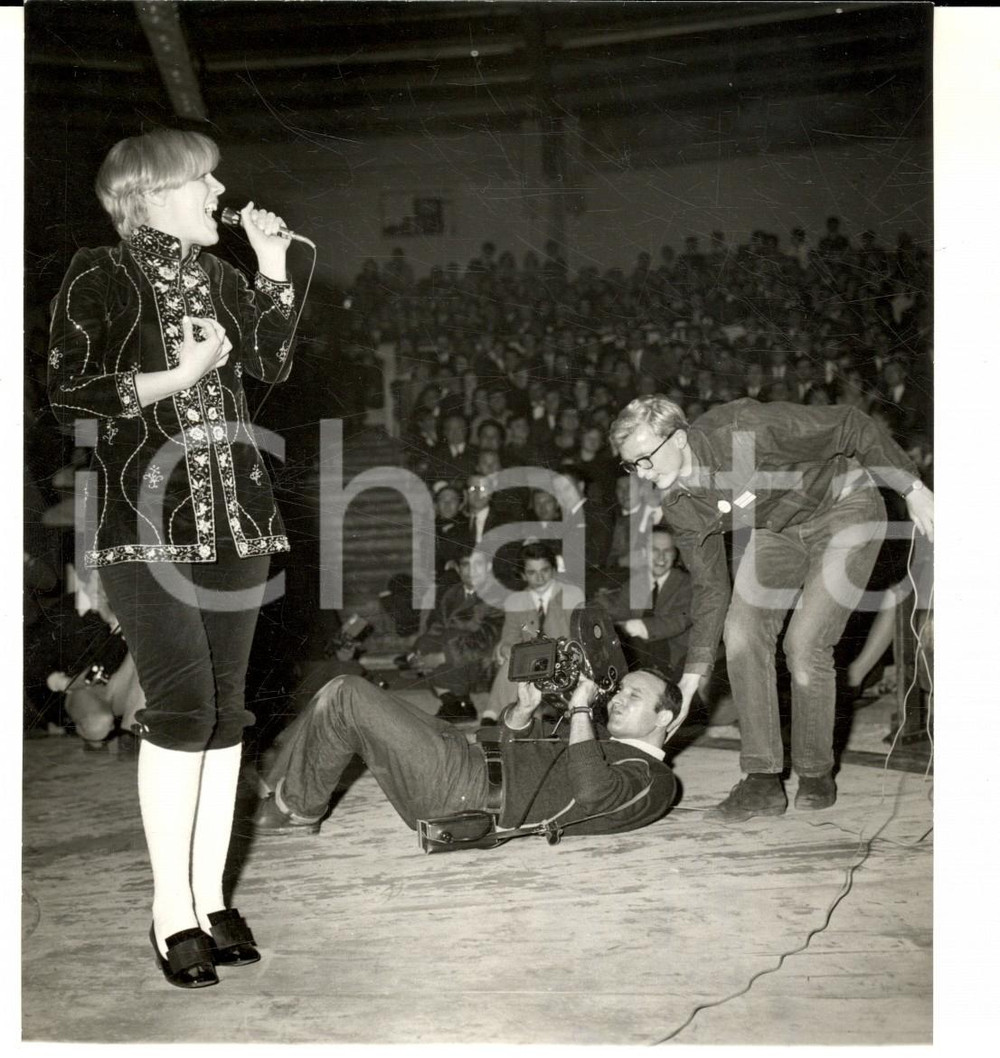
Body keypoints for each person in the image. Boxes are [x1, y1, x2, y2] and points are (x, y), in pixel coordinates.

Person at [47, 128, 298, 987]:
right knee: (183, 707)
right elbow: (67, 390)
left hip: (239, 523)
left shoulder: (221, 274)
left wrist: (268, 268)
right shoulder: (100, 273)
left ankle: (209, 897)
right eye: (204, 178)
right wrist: (180, 373)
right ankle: (170, 912)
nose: (221, 188)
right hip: (143, 524)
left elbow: (270, 358)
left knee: (225, 713)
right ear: (152, 194)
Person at [609, 395, 933, 822]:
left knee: (805, 644)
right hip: (776, 532)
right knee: (741, 634)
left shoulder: (746, 428)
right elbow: (710, 589)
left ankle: (816, 772)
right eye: (633, 466)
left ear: (681, 438)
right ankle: (762, 780)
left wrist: (912, 488)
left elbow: (851, 424)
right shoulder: (679, 504)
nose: (644, 475)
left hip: (845, 507)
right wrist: (691, 679)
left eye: (647, 459)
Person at [252, 668, 679, 840]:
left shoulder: (655, 780)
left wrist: (582, 708)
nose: (618, 698)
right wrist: (523, 711)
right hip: (467, 758)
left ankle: (299, 808)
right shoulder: (600, 737)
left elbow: (591, 791)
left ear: (665, 718)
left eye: (634, 695)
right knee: (336, 690)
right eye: (620, 689)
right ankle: (278, 787)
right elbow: (507, 739)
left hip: (466, 794)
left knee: (347, 694)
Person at [482, 543, 585, 723]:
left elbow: (578, 636)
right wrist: (507, 650)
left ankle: (496, 716)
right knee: (512, 660)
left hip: (565, 659)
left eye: (545, 570)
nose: (539, 577)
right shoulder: (515, 601)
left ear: (553, 570)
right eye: (531, 572)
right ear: (522, 574)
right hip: (530, 661)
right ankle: (493, 717)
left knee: (521, 662)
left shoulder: (572, 594)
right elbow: (510, 638)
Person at [406, 550, 503, 722]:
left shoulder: (497, 595)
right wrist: (418, 651)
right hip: (454, 652)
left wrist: (443, 656)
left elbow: (488, 638)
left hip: (483, 657)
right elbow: (436, 627)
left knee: (454, 637)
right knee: (426, 646)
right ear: (458, 569)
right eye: (466, 565)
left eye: (477, 565)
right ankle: (453, 702)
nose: (471, 571)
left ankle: (461, 700)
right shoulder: (452, 593)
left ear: (488, 568)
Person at [597, 526, 692, 681]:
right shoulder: (636, 582)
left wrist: (632, 627)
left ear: (675, 554)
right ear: (644, 553)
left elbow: (678, 621)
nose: (661, 558)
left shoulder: (686, 583)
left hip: (675, 655)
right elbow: (619, 613)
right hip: (640, 653)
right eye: (654, 550)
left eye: (667, 551)